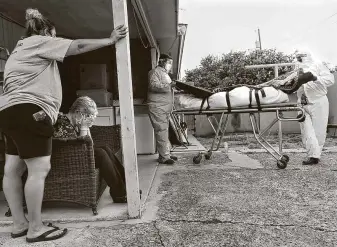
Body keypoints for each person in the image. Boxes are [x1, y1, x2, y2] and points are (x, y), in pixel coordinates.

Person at [0, 8, 127, 243]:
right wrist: (110, 40)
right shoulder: (40, 42)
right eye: (55, 36)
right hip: (32, 111)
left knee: (12, 170)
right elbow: (77, 47)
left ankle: (19, 224)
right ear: (48, 32)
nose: (56, 42)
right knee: (38, 170)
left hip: (8, 111)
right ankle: (35, 228)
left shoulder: (17, 52)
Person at [53, 96, 128, 203]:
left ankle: (126, 185)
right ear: (78, 112)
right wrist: (84, 127)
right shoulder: (63, 124)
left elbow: (90, 146)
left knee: (104, 148)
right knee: (101, 153)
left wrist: (86, 127)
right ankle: (119, 194)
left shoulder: (75, 121)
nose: (90, 118)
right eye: (88, 115)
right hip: (67, 162)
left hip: (77, 156)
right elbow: (83, 152)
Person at [295, 48, 335, 165]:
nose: (300, 58)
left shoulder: (318, 65)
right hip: (302, 103)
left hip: (318, 101)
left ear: (308, 55)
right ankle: (313, 154)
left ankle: (315, 156)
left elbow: (330, 80)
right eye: (298, 56)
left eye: (302, 56)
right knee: (306, 129)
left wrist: (315, 78)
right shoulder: (297, 68)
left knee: (319, 130)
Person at [147, 54, 178, 165]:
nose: (170, 65)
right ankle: (164, 157)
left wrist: (172, 86)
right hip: (157, 106)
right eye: (169, 62)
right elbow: (153, 85)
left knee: (164, 131)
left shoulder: (165, 74)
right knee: (161, 131)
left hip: (163, 107)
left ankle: (165, 154)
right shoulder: (155, 72)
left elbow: (167, 88)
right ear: (162, 62)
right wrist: (170, 86)